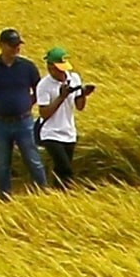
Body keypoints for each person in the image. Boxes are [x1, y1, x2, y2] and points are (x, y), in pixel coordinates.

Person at [0, 26, 47, 197]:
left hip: (24, 122)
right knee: (2, 163)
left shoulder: (28, 67)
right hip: (0, 123)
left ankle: (43, 192)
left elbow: (38, 90)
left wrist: (27, 105)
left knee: (33, 160)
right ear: (1, 45)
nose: (16, 48)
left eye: (18, 44)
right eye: (12, 45)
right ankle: (4, 196)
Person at [35, 45, 91, 187]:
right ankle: (69, 193)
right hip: (51, 133)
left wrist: (83, 94)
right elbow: (44, 113)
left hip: (69, 132)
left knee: (61, 171)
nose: (63, 72)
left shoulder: (74, 78)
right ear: (50, 67)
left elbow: (79, 106)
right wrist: (62, 96)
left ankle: (58, 196)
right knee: (66, 169)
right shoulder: (44, 85)